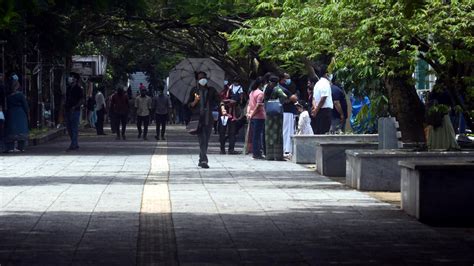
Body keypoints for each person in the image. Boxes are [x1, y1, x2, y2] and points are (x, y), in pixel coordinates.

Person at [187, 71, 221, 168]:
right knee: (202, 139)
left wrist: (222, 106)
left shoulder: (211, 90)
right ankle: (203, 160)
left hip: (208, 118)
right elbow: (189, 105)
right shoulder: (194, 91)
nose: (202, 80)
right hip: (198, 119)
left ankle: (201, 158)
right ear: (197, 80)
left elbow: (218, 100)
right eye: (200, 78)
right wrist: (195, 101)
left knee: (206, 140)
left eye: (204, 78)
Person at [264, 75, 288, 161]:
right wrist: (280, 103)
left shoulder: (266, 88)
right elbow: (284, 96)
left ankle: (269, 155)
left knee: (269, 134)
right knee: (277, 133)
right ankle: (278, 156)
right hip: (277, 115)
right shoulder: (277, 89)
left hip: (268, 113)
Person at [4, 80, 29, 152]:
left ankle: (10, 147)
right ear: (18, 86)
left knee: (11, 130)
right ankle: (21, 147)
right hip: (20, 113)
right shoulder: (20, 95)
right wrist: (27, 113)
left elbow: (7, 106)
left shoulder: (9, 97)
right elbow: (25, 105)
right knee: (21, 129)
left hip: (11, 113)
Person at [279, 73, 298, 156]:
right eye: (286, 78)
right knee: (287, 130)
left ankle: (284, 148)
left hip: (281, 111)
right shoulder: (282, 88)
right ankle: (286, 148)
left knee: (284, 130)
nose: (287, 80)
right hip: (287, 111)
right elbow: (293, 98)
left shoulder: (271, 87)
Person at [247, 77, 266, 159]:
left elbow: (249, 104)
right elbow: (258, 106)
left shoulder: (251, 93)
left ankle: (255, 152)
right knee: (257, 136)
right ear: (261, 84)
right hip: (259, 116)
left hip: (252, 116)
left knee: (254, 135)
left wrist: (248, 113)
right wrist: (253, 114)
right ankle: (256, 153)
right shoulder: (260, 93)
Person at [311, 65, 333, 134]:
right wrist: (316, 110)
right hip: (325, 111)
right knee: (324, 132)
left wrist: (315, 109)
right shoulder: (325, 83)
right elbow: (323, 98)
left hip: (318, 111)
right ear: (326, 74)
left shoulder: (317, 84)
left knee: (318, 131)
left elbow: (314, 99)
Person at [65, 72, 83, 151]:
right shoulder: (68, 88)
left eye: (72, 77)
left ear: (75, 79)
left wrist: (75, 106)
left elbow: (81, 100)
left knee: (74, 127)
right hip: (68, 109)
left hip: (75, 110)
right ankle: (74, 143)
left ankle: (73, 144)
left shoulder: (79, 89)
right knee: (69, 128)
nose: (70, 78)